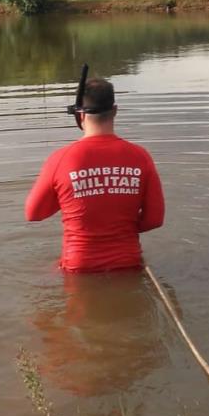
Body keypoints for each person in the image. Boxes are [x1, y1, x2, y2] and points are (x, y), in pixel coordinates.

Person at [25, 76, 165, 272]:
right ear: (115, 111)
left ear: (79, 114)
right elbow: (154, 220)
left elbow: (33, 214)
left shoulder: (60, 159)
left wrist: (72, 197)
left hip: (79, 266)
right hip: (127, 264)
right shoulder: (141, 157)